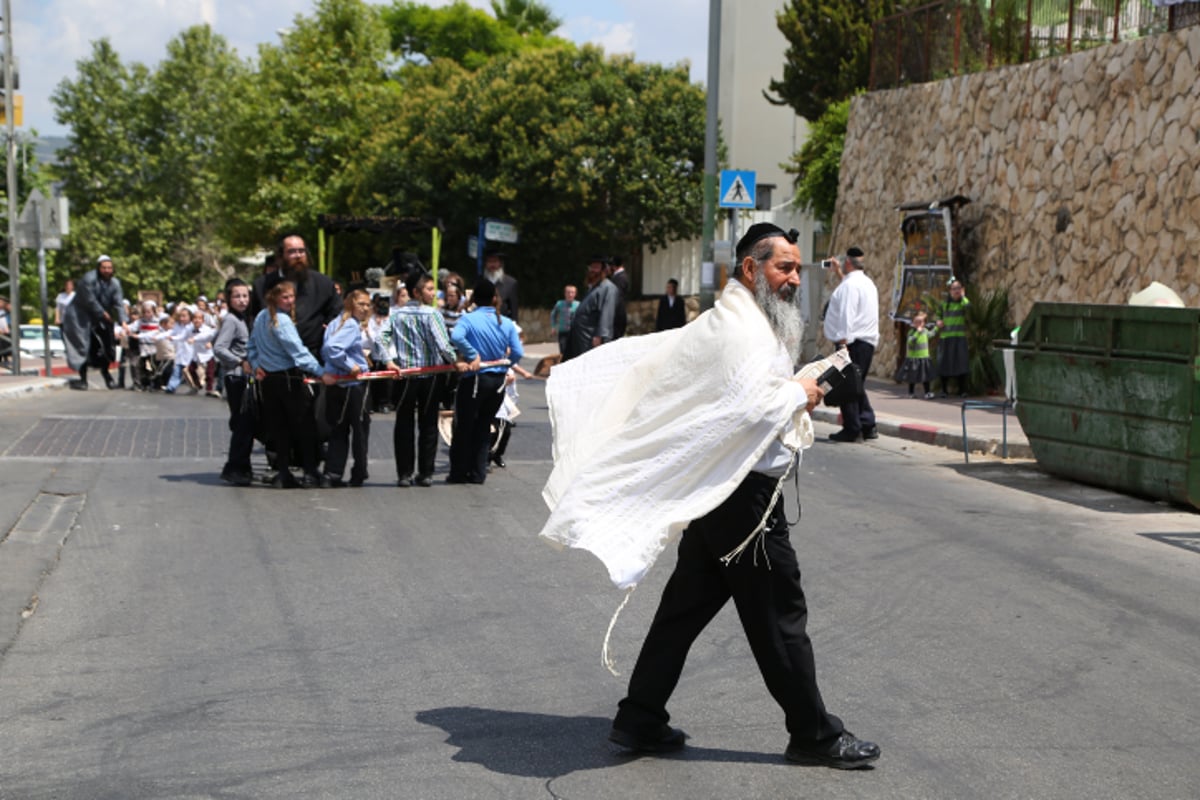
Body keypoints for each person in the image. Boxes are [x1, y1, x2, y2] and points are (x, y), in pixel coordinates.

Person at [539, 222, 879, 770]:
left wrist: (796, 391)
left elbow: (744, 402)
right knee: (779, 615)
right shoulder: (740, 331)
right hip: (743, 502)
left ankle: (640, 716)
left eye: (796, 269)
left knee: (683, 609)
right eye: (783, 268)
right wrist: (801, 390)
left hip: (723, 495)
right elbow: (745, 409)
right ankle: (814, 735)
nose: (794, 279)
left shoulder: (739, 322)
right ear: (751, 269)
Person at [377, 271, 461, 487]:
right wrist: (455, 361)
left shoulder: (396, 315)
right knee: (428, 424)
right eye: (429, 289)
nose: (433, 294)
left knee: (403, 424)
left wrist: (389, 360)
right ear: (416, 292)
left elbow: (381, 337)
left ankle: (404, 474)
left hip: (405, 375)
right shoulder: (432, 315)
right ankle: (425, 473)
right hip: (431, 376)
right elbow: (443, 344)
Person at [247, 281, 330, 489]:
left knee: (279, 428)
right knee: (305, 426)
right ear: (274, 298)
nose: (290, 301)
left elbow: (252, 347)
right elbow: (298, 351)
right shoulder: (280, 321)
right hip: (288, 379)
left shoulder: (261, 316)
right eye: (285, 297)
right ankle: (309, 470)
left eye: (292, 296)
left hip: (268, 380)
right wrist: (321, 372)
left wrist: (257, 365)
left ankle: (283, 472)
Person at [447, 279, 523, 484]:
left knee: (464, 426)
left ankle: (459, 472)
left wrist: (472, 355)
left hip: (475, 378)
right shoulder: (505, 323)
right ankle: (478, 472)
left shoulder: (468, 319)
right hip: (497, 380)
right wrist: (506, 365)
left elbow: (456, 337)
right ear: (494, 298)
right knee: (483, 426)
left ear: (473, 299)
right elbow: (518, 351)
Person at [822, 246, 879, 443]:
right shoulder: (866, 283)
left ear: (848, 262)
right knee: (856, 385)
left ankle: (852, 428)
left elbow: (847, 314)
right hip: (866, 342)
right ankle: (867, 424)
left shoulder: (849, 287)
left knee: (847, 386)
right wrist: (838, 272)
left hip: (851, 342)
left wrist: (842, 344)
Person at [252, 234, 341, 360]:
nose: (298, 256)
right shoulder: (262, 285)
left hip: (315, 358)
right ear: (281, 256)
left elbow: (337, 313)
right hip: (274, 362)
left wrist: (330, 327)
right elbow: (253, 324)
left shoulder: (323, 283)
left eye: (301, 251)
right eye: (292, 252)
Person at [321, 290, 374, 488]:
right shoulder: (350, 325)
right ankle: (359, 471)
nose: (365, 308)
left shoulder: (336, 323)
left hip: (337, 384)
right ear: (351, 304)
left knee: (338, 430)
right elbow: (332, 349)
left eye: (368, 304)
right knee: (359, 431)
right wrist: (349, 365)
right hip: (352, 385)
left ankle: (332, 473)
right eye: (361, 304)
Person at [63, 255, 130, 390]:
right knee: (83, 347)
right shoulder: (88, 279)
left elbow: (118, 303)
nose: (107, 270)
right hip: (81, 317)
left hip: (101, 318)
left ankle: (107, 377)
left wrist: (123, 321)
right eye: (104, 268)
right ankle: (83, 380)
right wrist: (104, 313)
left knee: (105, 346)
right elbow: (90, 301)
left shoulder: (115, 283)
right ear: (98, 268)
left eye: (109, 268)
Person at [213, 280, 256, 486]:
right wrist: (240, 361)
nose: (242, 300)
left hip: (245, 377)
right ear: (229, 299)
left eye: (245, 295)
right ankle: (235, 467)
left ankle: (243, 466)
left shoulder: (243, 319)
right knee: (242, 423)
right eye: (237, 296)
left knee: (246, 423)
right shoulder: (231, 320)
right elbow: (219, 348)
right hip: (236, 376)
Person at [563, 256, 618, 360]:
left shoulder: (608, 288)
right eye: (591, 267)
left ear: (604, 269)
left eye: (596, 267)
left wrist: (600, 335)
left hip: (591, 337)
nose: (592, 270)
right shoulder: (594, 287)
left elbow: (607, 314)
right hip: (581, 336)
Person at [936, 279, 971, 397]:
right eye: (954, 289)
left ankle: (963, 390)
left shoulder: (963, 303)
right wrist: (938, 321)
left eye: (958, 288)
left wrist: (964, 297)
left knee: (962, 363)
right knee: (944, 363)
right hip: (946, 337)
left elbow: (969, 309)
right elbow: (937, 315)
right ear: (950, 291)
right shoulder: (944, 304)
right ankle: (943, 390)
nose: (957, 291)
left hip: (959, 337)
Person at [897, 309, 937, 399]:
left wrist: (937, 327)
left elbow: (931, 334)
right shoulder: (911, 332)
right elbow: (910, 342)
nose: (918, 324)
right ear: (913, 322)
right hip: (913, 358)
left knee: (925, 376)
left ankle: (927, 392)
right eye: (916, 321)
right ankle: (911, 393)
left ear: (924, 323)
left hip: (924, 357)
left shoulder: (925, 331)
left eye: (920, 322)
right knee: (912, 376)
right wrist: (917, 333)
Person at [483, 249, 519, 321]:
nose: (492, 265)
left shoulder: (510, 283)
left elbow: (514, 312)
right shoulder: (480, 281)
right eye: (490, 261)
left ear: (500, 263)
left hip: (502, 324)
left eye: (495, 261)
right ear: (486, 263)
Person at [549, 284, 579, 355]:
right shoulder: (559, 304)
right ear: (565, 293)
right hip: (563, 332)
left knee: (574, 353)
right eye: (568, 292)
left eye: (572, 292)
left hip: (574, 333)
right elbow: (553, 315)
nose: (570, 294)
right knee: (563, 352)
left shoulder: (578, 305)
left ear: (575, 294)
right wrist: (553, 326)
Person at [608, 256, 629, 339]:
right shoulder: (618, 277)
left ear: (613, 266)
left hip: (617, 313)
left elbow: (617, 296)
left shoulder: (621, 277)